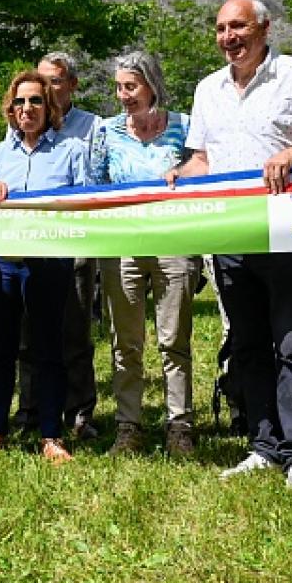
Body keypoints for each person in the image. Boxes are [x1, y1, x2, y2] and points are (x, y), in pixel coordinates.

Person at [166, 0, 292, 504]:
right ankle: (264, 444)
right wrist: (177, 177)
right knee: (247, 344)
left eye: (239, 26)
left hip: (287, 232)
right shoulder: (208, 89)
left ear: (264, 28)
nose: (230, 37)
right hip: (230, 235)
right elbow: (202, 158)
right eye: (222, 28)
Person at [0, 70, 90, 464]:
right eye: (20, 102)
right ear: (11, 109)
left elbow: (85, 202)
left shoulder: (70, 150)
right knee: (1, 349)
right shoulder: (1, 153)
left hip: (49, 262)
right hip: (3, 260)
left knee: (48, 348)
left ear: (48, 107)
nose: (27, 109)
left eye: (35, 101)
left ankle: (51, 435)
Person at [95, 51, 201, 456]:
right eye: (119, 87)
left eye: (131, 87)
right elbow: (95, 184)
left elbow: (203, 170)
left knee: (174, 339)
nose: (124, 95)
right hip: (122, 248)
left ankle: (179, 426)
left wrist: (184, 173)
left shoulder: (184, 127)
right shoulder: (106, 132)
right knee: (126, 341)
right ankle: (128, 426)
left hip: (173, 245)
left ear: (152, 85)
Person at [14, 52, 105, 439]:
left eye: (54, 81)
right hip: (27, 241)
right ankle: (30, 407)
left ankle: (79, 411)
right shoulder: (22, 122)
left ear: (72, 85)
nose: (45, 90)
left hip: (73, 240)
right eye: (41, 81)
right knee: (27, 331)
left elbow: (96, 180)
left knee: (74, 328)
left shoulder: (92, 127)